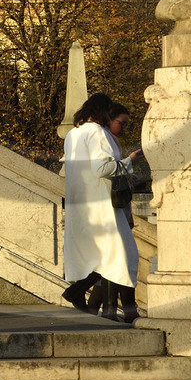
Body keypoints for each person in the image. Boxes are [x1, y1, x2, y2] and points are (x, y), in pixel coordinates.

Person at [63, 93, 141, 323]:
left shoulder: (73, 134)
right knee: (122, 253)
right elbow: (102, 169)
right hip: (102, 203)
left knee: (103, 255)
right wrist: (129, 162)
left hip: (81, 202)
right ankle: (122, 309)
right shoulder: (98, 133)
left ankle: (83, 293)